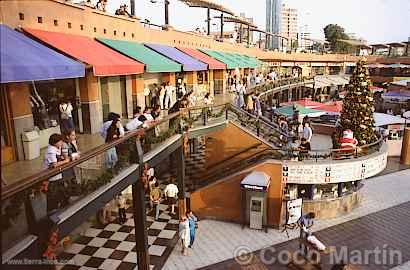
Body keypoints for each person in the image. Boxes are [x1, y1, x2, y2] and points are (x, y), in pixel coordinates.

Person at [43, 134, 70, 211]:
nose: (62, 143)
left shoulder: (56, 148)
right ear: (55, 142)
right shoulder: (50, 151)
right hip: (52, 179)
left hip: (58, 176)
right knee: (53, 198)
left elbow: (61, 157)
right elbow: (54, 165)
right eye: (60, 141)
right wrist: (65, 161)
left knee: (61, 195)